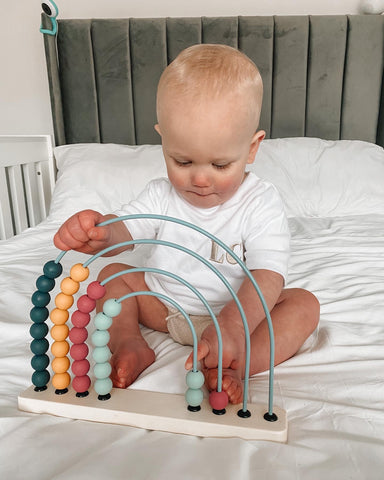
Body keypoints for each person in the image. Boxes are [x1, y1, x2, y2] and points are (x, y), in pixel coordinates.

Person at [54, 44, 320, 405]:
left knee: (303, 305)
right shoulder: (161, 195)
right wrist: (100, 232)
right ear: (163, 139)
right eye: (182, 160)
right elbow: (126, 233)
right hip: (166, 308)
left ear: (252, 148)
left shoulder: (261, 202)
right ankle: (130, 343)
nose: (200, 179)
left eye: (221, 165)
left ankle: (231, 367)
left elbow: (268, 275)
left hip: (237, 319)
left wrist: (234, 325)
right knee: (113, 274)